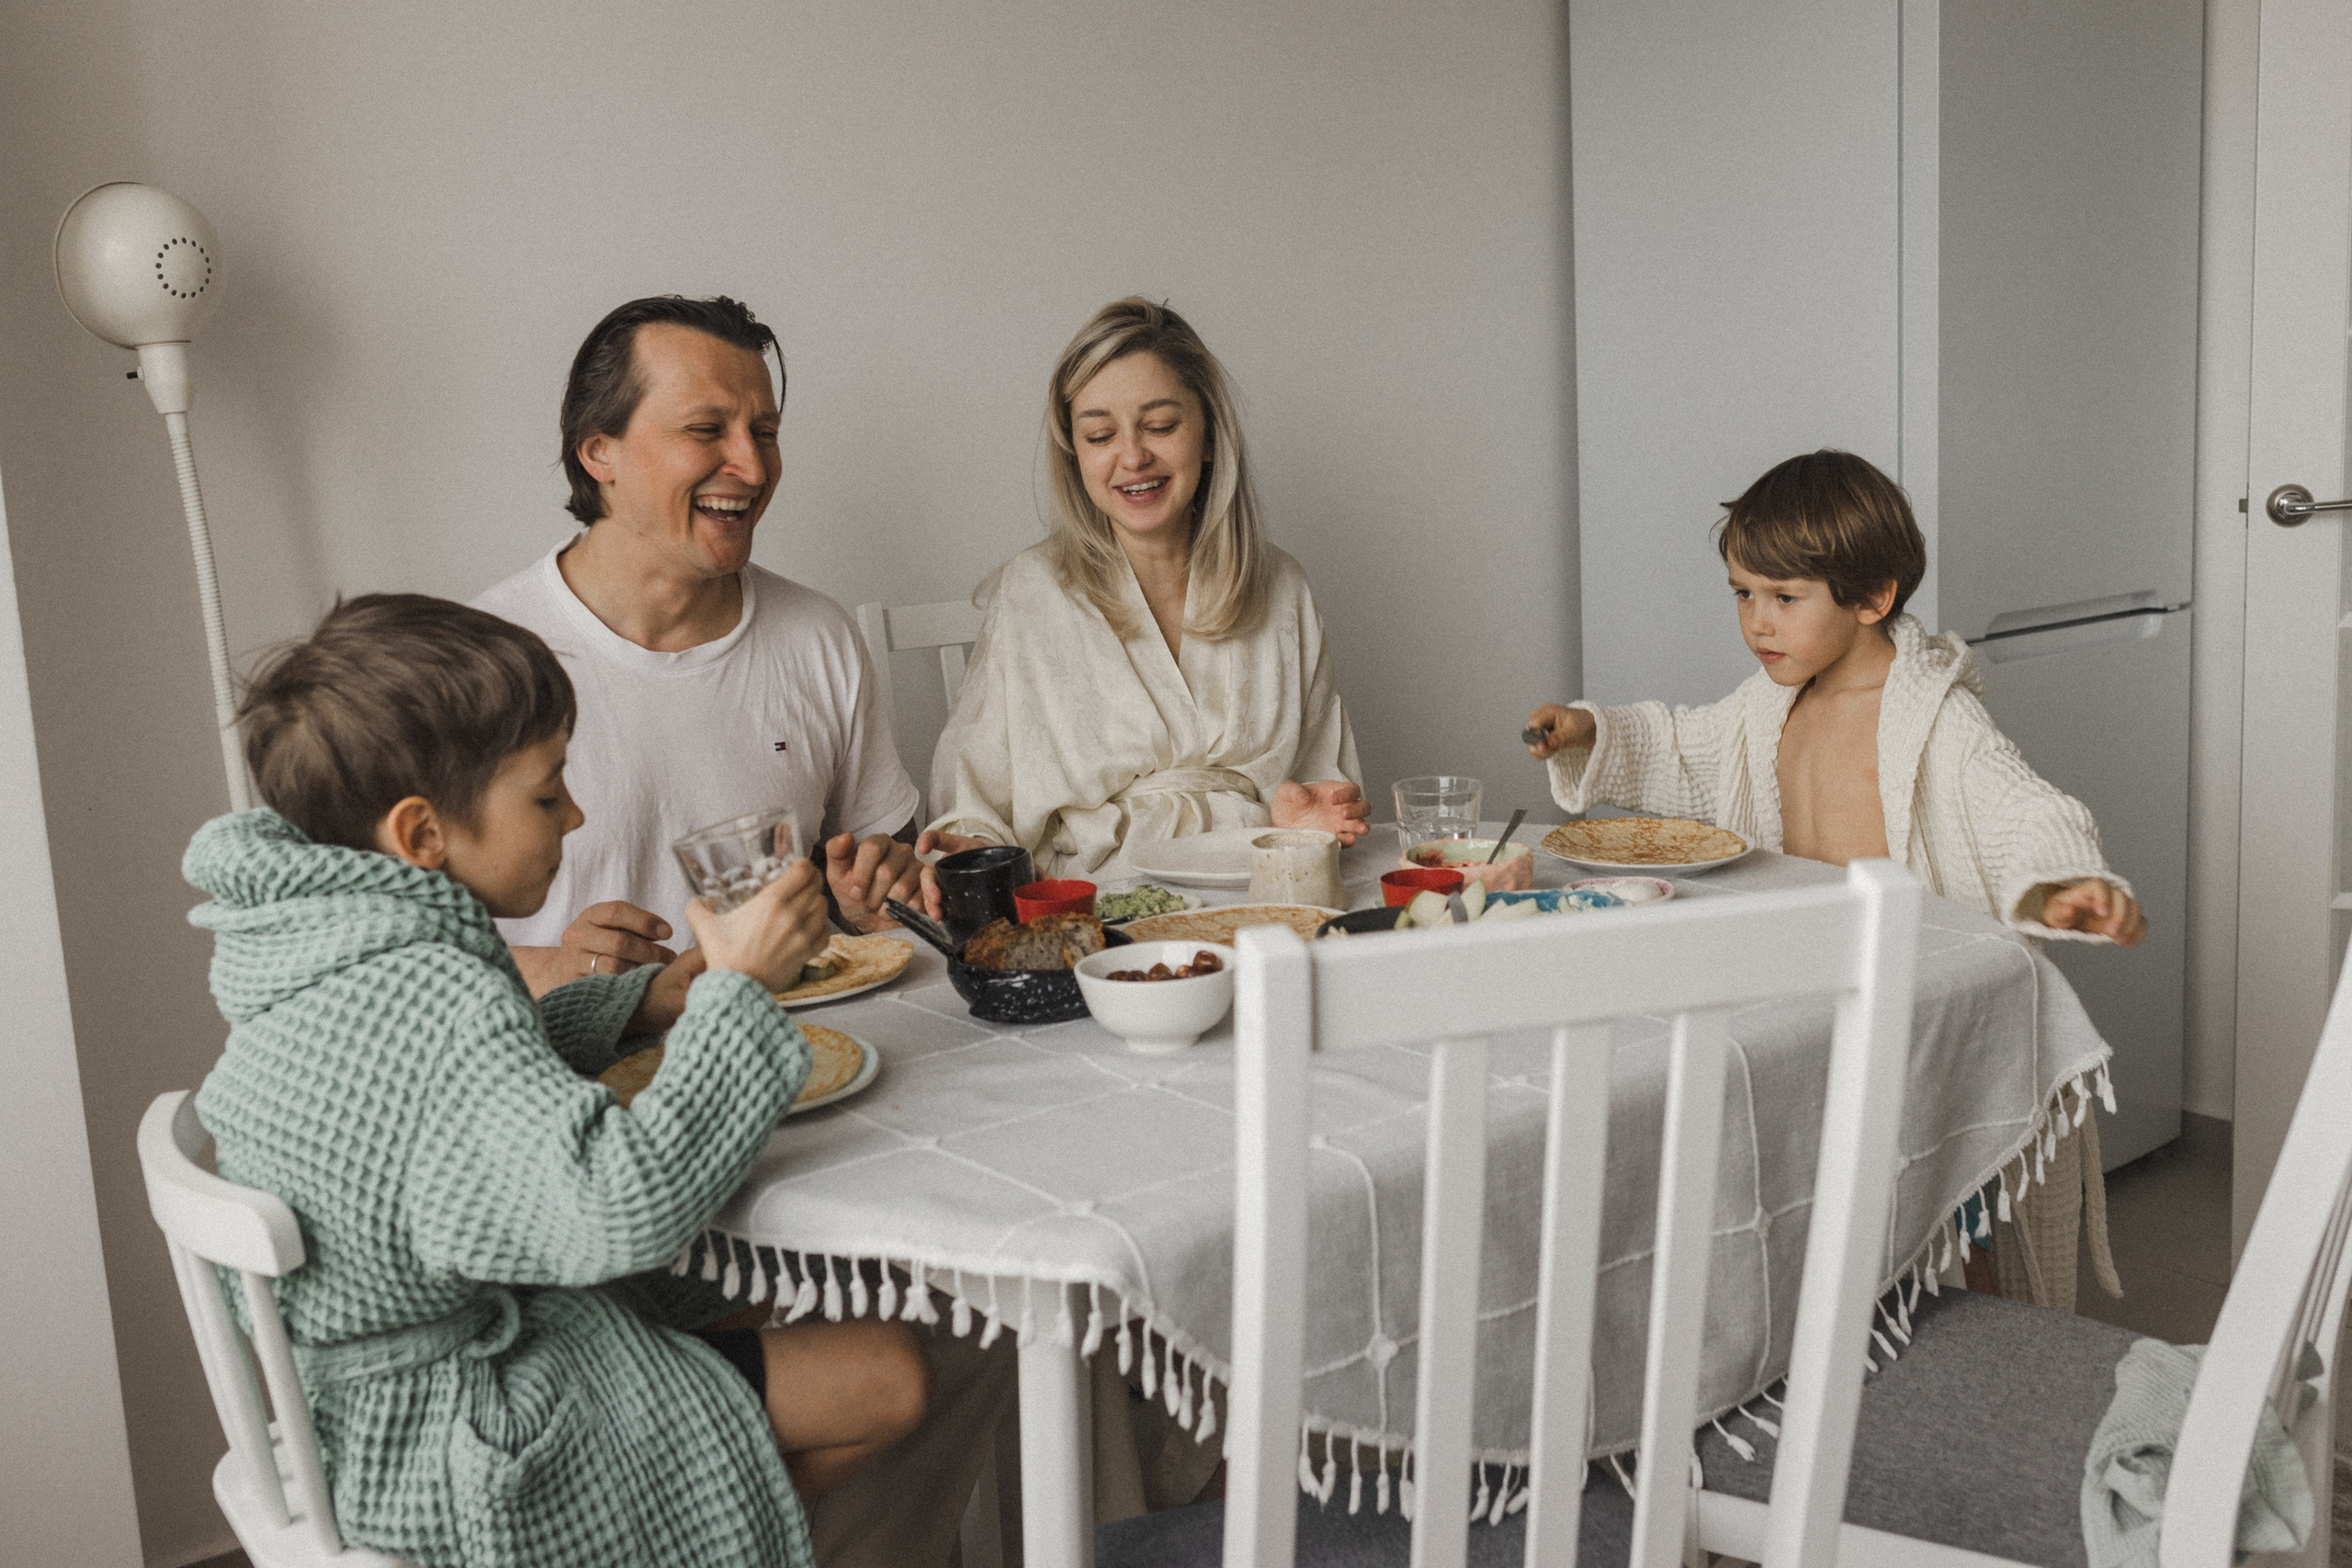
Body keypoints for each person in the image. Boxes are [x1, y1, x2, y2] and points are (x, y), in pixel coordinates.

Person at [187, 595, 929, 1568]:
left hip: (362, 1417)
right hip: (458, 1442)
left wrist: (641, 1003)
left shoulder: (336, 943)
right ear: (421, 834)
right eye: (546, 795)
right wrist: (736, 992)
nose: (574, 816)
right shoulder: (431, 993)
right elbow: (627, 1205)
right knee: (890, 1372)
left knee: (759, 1299)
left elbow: (470, 1094)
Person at [1524, 447, 2142, 1309]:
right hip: (1808, 996)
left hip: (1916, 1004)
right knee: (1779, 1176)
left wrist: (2062, 881)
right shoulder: (1772, 702)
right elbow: (1681, 743)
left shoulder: (1933, 718)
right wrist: (1593, 729)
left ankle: (1987, 1335)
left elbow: (2021, 809)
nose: (1757, 623)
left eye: (1784, 598)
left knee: (1952, 1222)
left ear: (1872, 597)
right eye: (1743, 594)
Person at [475, 295, 925, 1002]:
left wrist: (875, 902)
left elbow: (891, 879)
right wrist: (558, 973)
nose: (751, 467)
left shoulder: (819, 636)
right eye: (707, 429)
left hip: (805, 1052)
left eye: (766, 431)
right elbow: (391, 957)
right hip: (583, 1082)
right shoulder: (480, 661)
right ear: (599, 451)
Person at [922, 297, 1368, 877]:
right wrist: (964, 849)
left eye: (1160, 426)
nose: (1132, 456)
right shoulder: (1032, 593)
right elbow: (974, 805)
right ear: (1075, 455)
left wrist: (1311, 814)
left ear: (1208, 437)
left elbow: (1322, 788)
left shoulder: (1281, 587)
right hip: (1096, 910)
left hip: (1260, 891)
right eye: (1100, 435)